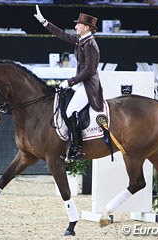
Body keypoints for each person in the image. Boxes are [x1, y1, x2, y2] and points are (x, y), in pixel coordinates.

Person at [34, 5, 104, 161]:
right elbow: (63, 35)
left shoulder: (91, 46)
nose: (75, 26)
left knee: (70, 111)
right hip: (81, 83)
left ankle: (77, 149)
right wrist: (44, 22)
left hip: (89, 86)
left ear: (87, 27)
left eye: (78, 24)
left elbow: (89, 71)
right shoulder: (81, 40)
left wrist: (69, 82)